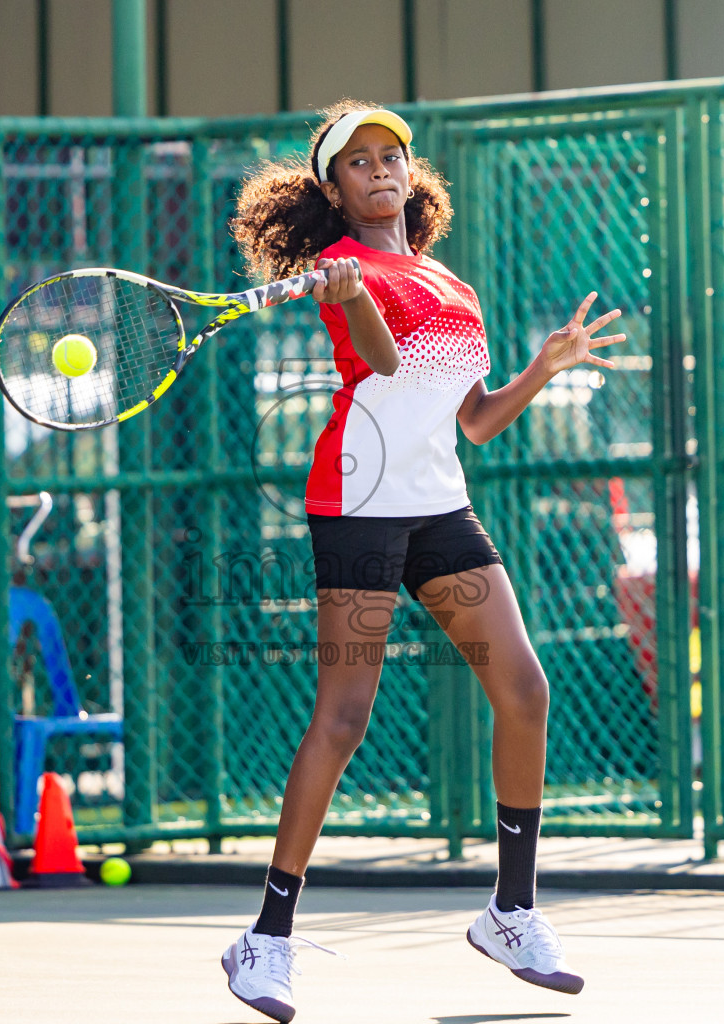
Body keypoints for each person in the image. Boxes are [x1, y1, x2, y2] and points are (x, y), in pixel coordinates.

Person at [221, 100, 625, 1023]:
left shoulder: (451, 284)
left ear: (411, 173)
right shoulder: (340, 268)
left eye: (390, 155)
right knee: (344, 719)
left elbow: (473, 419)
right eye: (357, 162)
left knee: (524, 689)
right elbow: (383, 365)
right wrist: (353, 294)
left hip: (440, 506)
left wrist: (547, 366)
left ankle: (511, 913)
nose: (378, 170)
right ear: (332, 189)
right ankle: (265, 941)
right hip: (358, 508)